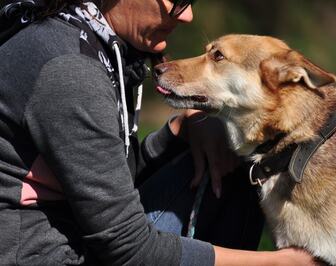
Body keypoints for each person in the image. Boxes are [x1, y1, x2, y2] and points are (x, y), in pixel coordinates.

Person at [0, 0, 319, 265]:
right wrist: (279, 262)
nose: (186, 15)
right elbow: (129, 247)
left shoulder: (95, 44)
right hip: (47, 256)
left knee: (231, 151)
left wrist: (181, 130)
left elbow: (108, 181)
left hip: (79, 235)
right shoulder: (70, 70)